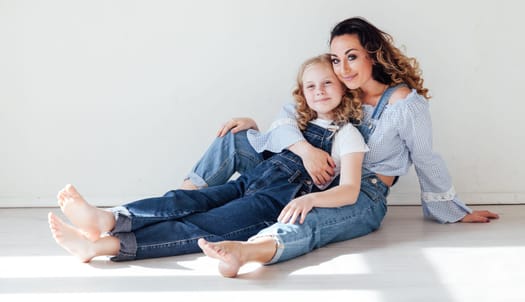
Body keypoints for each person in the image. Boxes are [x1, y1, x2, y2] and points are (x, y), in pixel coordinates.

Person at [187, 17, 499, 277]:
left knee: (307, 220)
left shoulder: (404, 105)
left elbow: (426, 158)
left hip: (362, 192)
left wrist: (454, 212)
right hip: (307, 176)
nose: (343, 68)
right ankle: (183, 200)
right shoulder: (335, 86)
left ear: (373, 54)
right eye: (336, 59)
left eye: (352, 56)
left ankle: (247, 252)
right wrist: (304, 150)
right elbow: (288, 115)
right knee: (236, 139)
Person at [48, 53, 370, 263]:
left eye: (328, 82)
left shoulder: (346, 135)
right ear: (303, 93)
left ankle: (100, 246)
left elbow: (350, 190)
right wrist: (254, 127)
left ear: (344, 87)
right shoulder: (295, 124)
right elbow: (268, 142)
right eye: (311, 86)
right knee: (182, 199)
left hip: (272, 204)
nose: (319, 91)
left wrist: (311, 200)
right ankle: (109, 219)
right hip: (248, 183)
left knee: (202, 225)